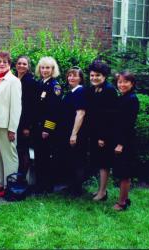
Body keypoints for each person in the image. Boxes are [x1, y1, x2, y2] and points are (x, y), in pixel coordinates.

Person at [0, 52, 22, 197]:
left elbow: (16, 107)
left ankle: (10, 186)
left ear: (9, 64)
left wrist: (12, 129)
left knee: (9, 156)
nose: (1, 64)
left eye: (4, 62)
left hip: (4, 124)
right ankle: (1, 183)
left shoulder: (13, 81)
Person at [86, 60, 117, 201]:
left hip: (104, 135)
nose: (94, 78)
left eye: (97, 75)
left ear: (104, 76)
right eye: (92, 75)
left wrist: (103, 137)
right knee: (98, 162)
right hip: (94, 132)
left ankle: (102, 192)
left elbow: (110, 117)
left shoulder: (109, 90)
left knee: (104, 163)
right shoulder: (93, 89)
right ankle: (100, 190)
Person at [33, 56, 62, 194]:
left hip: (46, 129)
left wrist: (47, 129)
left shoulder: (54, 86)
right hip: (38, 127)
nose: (45, 70)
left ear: (53, 69)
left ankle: (47, 186)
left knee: (46, 158)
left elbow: (54, 110)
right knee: (39, 157)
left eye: (48, 68)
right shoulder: (40, 83)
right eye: (43, 67)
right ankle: (39, 184)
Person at [113, 71, 139, 211]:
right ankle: (124, 198)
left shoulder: (132, 99)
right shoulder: (123, 97)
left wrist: (120, 144)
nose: (122, 85)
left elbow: (128, 124)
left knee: (124, 174)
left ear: (132, 84)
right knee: (121, 171)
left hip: (126, 141)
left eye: (125, 82)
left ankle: (122, 203)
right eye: (119, 82)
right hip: (120, 139)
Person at [59, 67, 87, 196]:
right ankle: (71, 186)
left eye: (75, 75)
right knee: (70, 160)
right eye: (69, 75)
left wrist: (74, 134)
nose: (71, 78)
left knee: (77, 161)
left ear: (80, 78)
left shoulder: (81, 92)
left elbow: (80, 113)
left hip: (76, 133)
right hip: (67, 132)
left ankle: (77, 190)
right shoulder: (71, 92)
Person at [15, 55, 37, 179]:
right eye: (19, 63)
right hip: (16, 121)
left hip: (24, 123)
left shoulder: (29, 81)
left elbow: (31, 106)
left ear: (28, 66)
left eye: (24, 64)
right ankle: (20, 177)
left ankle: (22, 179)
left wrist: (27, 126)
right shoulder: (16, 79)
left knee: (24, 151)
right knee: (19, 150)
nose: (21, 66)